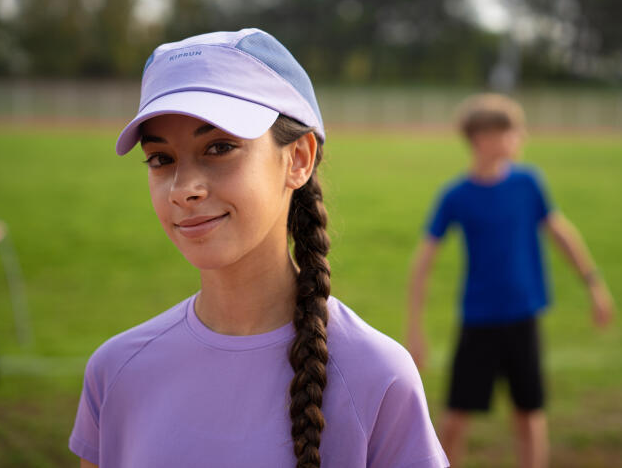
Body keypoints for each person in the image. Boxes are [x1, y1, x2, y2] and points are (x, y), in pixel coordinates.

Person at [69, 29, 449, 468]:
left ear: (299, 159)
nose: (183, 189)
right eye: (161, 158)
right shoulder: (115, 373)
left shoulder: (379, 377)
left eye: (220, 147)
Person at [406, 93, 614, 468]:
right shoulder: (456, 195)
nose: (520, 138)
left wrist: (593, 284)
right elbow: (422, 262)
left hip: (523, 317)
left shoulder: (528, 183)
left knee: (530, 414)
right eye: (511, 132)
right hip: (478, 320)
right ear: (482, 138)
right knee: (454, 419)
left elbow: (559, 232)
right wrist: (416, 328)